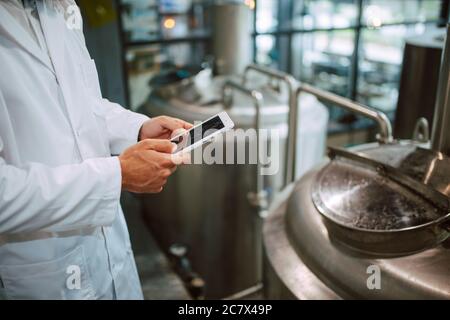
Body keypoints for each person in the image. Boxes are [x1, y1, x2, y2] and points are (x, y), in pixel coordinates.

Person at [0, 0, 191, 299]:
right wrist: (115, 177)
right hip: (41, 267)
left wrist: (137, 129)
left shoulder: (61, 9)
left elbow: (85, 105)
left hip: (109, 249)